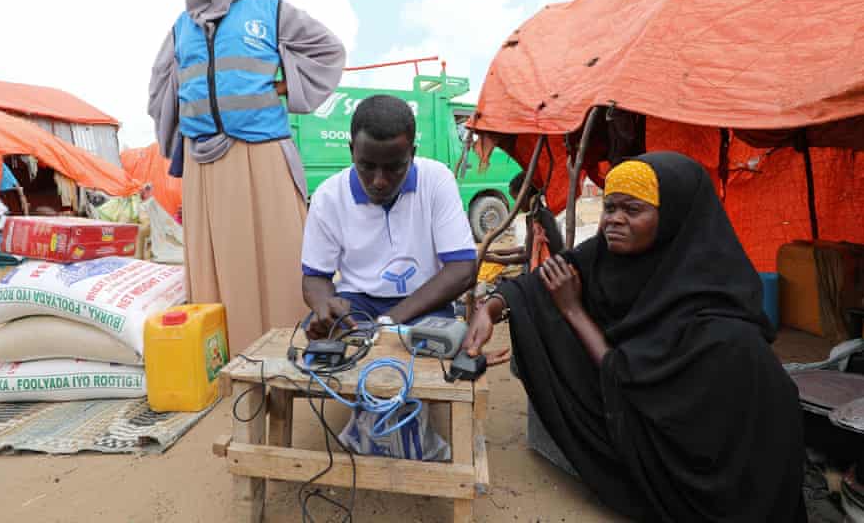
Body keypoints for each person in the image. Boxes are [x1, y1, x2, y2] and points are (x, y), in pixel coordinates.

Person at [464, 152, 807, 522]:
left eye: (632, 209)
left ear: (674, 215)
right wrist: (491, 308)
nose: (614, 220)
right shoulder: (608, 254)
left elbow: (625, 373)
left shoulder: (720, 322)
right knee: (541, 316)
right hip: (638, 398)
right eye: (610, 207)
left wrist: (574, 311)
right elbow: (545, 278)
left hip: (712, 464)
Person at [148, 0, 345, 354]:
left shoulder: (269, 11)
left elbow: (329, 50)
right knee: (220, 269)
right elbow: (161, 86)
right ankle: (229, 359)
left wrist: (283, 86)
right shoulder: (181, 27)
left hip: (262, 157)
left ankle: (291, 352)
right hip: (205, 166)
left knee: (278, 261)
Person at [301, 94, 476, 338]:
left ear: (411, 154)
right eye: (367, 166)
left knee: (435, 364)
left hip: (425, 302)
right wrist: (324, 306)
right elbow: (315, 278)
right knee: (325, 359)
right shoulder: (328, 196)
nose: (379, 181)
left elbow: (463, 268)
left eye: (394, 167)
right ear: (352, 151)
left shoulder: (437, 180)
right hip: (356, 307)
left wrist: (387, 322)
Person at [485, 172, 564, 271]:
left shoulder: (537, 217)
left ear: (525, 194)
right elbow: (527, 248)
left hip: (548, 269)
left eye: (517, 199)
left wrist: (495, 259)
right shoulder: (540, 212)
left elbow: (526, 256)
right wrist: (496, 252)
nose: (517, 204)